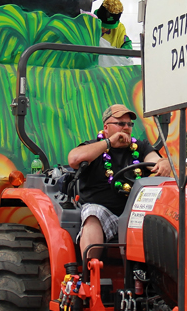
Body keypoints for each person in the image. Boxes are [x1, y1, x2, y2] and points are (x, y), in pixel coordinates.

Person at [67, 104, 172, 263]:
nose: (126, 127)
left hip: (135, 211)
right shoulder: (94, 147)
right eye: (120, 123)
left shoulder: (140, 147)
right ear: (106, 127)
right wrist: (108, 143)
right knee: (93, 213)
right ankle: (90, 272)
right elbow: (74, 159)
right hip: (102, 210)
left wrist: (163, 163)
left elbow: (154, 161)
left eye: (129, 124)